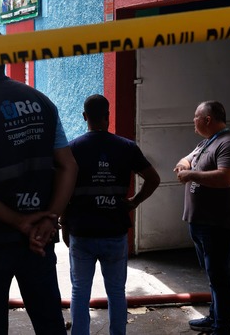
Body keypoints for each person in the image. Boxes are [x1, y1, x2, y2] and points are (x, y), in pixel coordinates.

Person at [0, 26, 78, 335]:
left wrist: (19, 222)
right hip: (40, 238)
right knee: (50, 323)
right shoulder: (42, 102)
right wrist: (50, 219)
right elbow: (68, 166)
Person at [62, 94, 160, 335]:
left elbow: (63, 191)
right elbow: (153, 179)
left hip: (82, 232)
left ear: (85, 117)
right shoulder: (126, 147)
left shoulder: (73, 148)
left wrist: (65, 226)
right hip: (114, 231)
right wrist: (133, 202)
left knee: (79, 292)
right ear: (108, 116)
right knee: (116, 292)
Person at [174, 101, 230, 335]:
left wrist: (190, 174)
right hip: (200, 222)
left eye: (196, 116)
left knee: (219, 276)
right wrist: (185, 166)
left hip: (218, 224)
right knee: (212, 274)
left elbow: (226, 178)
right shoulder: (207, 143)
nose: (192, 120)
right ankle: (214, 318)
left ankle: (222, 327)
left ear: (207, 119)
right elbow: (185, 159)